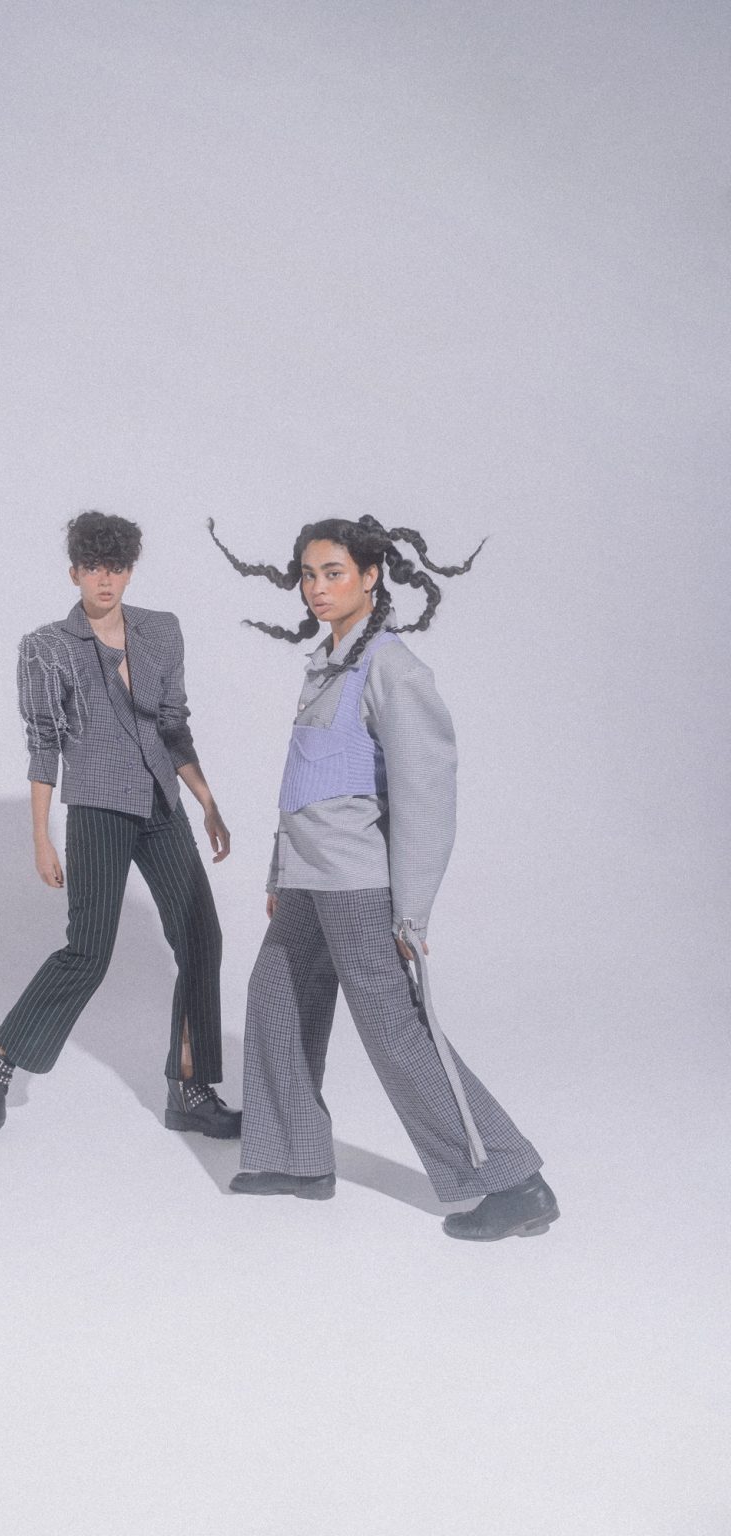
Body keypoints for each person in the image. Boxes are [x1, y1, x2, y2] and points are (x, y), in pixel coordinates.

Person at [207, 514, 558, 1240]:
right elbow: (303, 784)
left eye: (333, 573)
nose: (317, 588)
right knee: (274, 994)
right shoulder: (327, 665)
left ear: (371, 577)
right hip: (308, 880)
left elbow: (427, 794)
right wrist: (280, 871)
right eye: (309, 575)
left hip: (357, 886)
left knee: (395, 1030)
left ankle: (512, 1181)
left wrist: (412, 910)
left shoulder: (393, 668)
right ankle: (295, 1158)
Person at [0, 511, 240, 1140]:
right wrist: (40, 836)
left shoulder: (161, 631)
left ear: (130, 571)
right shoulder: (47, 647)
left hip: (161, 804)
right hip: (96, 808)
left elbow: (173, 723)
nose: (105, 579)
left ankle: (190, 1087)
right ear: (74, 573)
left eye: (115, 567)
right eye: (93, 567)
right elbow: (44, 743)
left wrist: (206, 800)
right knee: (89, 952)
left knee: (202, 937)